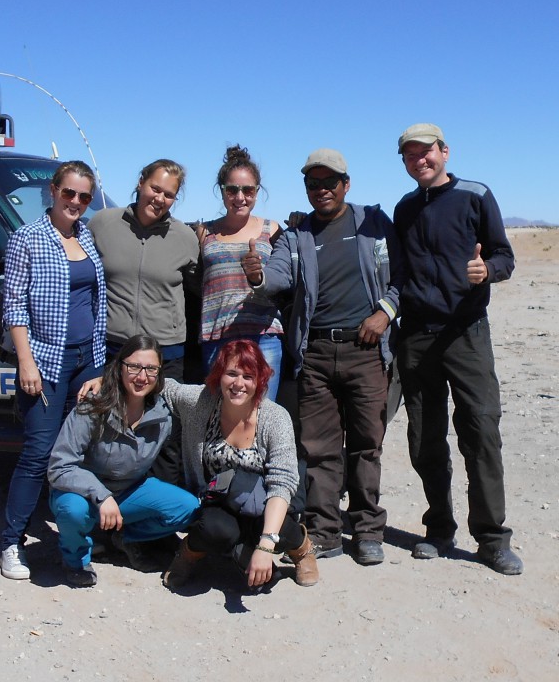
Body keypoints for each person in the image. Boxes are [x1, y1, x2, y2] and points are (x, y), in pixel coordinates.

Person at [243, 148, 400, 566]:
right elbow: (278, 275)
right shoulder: (297, 235)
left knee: (367, 445)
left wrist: (384, 312)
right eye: (313, 183)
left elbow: (403, 277)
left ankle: (368, 530)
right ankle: (326, 531)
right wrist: (258, 276)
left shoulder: (374, 224)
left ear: (346, 185)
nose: (322, 190)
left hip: (366, 350)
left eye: (330, 182)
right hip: (315, 353)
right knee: (320, 447)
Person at [393, 123, 522, 576]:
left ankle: (491, 539)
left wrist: (487, 270)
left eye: (425, 152)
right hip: (417, 335)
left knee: (480, 431)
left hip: (466, 332)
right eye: (410, 156)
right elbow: (398, 270)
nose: (419, 161)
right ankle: (439, 528)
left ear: (444, 152)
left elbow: (505, 255)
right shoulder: (405, 208)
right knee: (425, 436)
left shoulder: (474, 194)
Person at [0, 160, 108, 580]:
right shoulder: (27, 238)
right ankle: (11, 541)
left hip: (86, 359)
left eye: (84, 196)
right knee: (38, 452)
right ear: (53, 191)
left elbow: (96, 303)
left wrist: (97, 365)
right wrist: (26, 361)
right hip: (45, 359)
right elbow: (15, 305)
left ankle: (72, 542)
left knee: (78, 453)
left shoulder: (87, 238)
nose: (76, 202)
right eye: (70, 193)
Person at [156, 339, 317, 590]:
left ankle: (301, 550)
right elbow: (163, 386)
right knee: (214, 530)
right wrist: (106, 379)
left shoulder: (275, 417)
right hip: (218, 501)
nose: (238, 384)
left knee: (282, 529)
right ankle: (188, 552)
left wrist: (265, 545)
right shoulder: (200, 402)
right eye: (231, 373)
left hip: (263, 502)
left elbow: (282, 483)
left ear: (260, 380)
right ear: (219, 375)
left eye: (248, 376)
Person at [47, 336, 200, 586]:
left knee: (188, 507)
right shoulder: (93, 405)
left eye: (151, 369)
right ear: (120, 367)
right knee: (72, 511)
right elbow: (60, 466)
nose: (142, 376)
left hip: (128, 491)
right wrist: (102, 495)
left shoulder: (164, 414)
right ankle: (76, 559)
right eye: (134, 367)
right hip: (82, 492)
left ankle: (123, 537)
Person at [87, 159, 199, 381]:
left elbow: (197, 287)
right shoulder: (102, 224)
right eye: (155, 189)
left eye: (168, 195)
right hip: (111, 347)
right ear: (140, 183)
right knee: (111, 414)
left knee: (162, 416)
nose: (159, 199)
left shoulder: (186, 238)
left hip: (165, 351)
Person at [198, 145, 284, 398]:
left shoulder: (273, 230)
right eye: (232, 189)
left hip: (264, 336)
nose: (240, 197)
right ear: (222, 192)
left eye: (248, 190)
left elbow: (285, 278)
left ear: (257, 192)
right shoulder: (204, 232)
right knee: (220, 414)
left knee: (264, 415)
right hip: (217, 336)